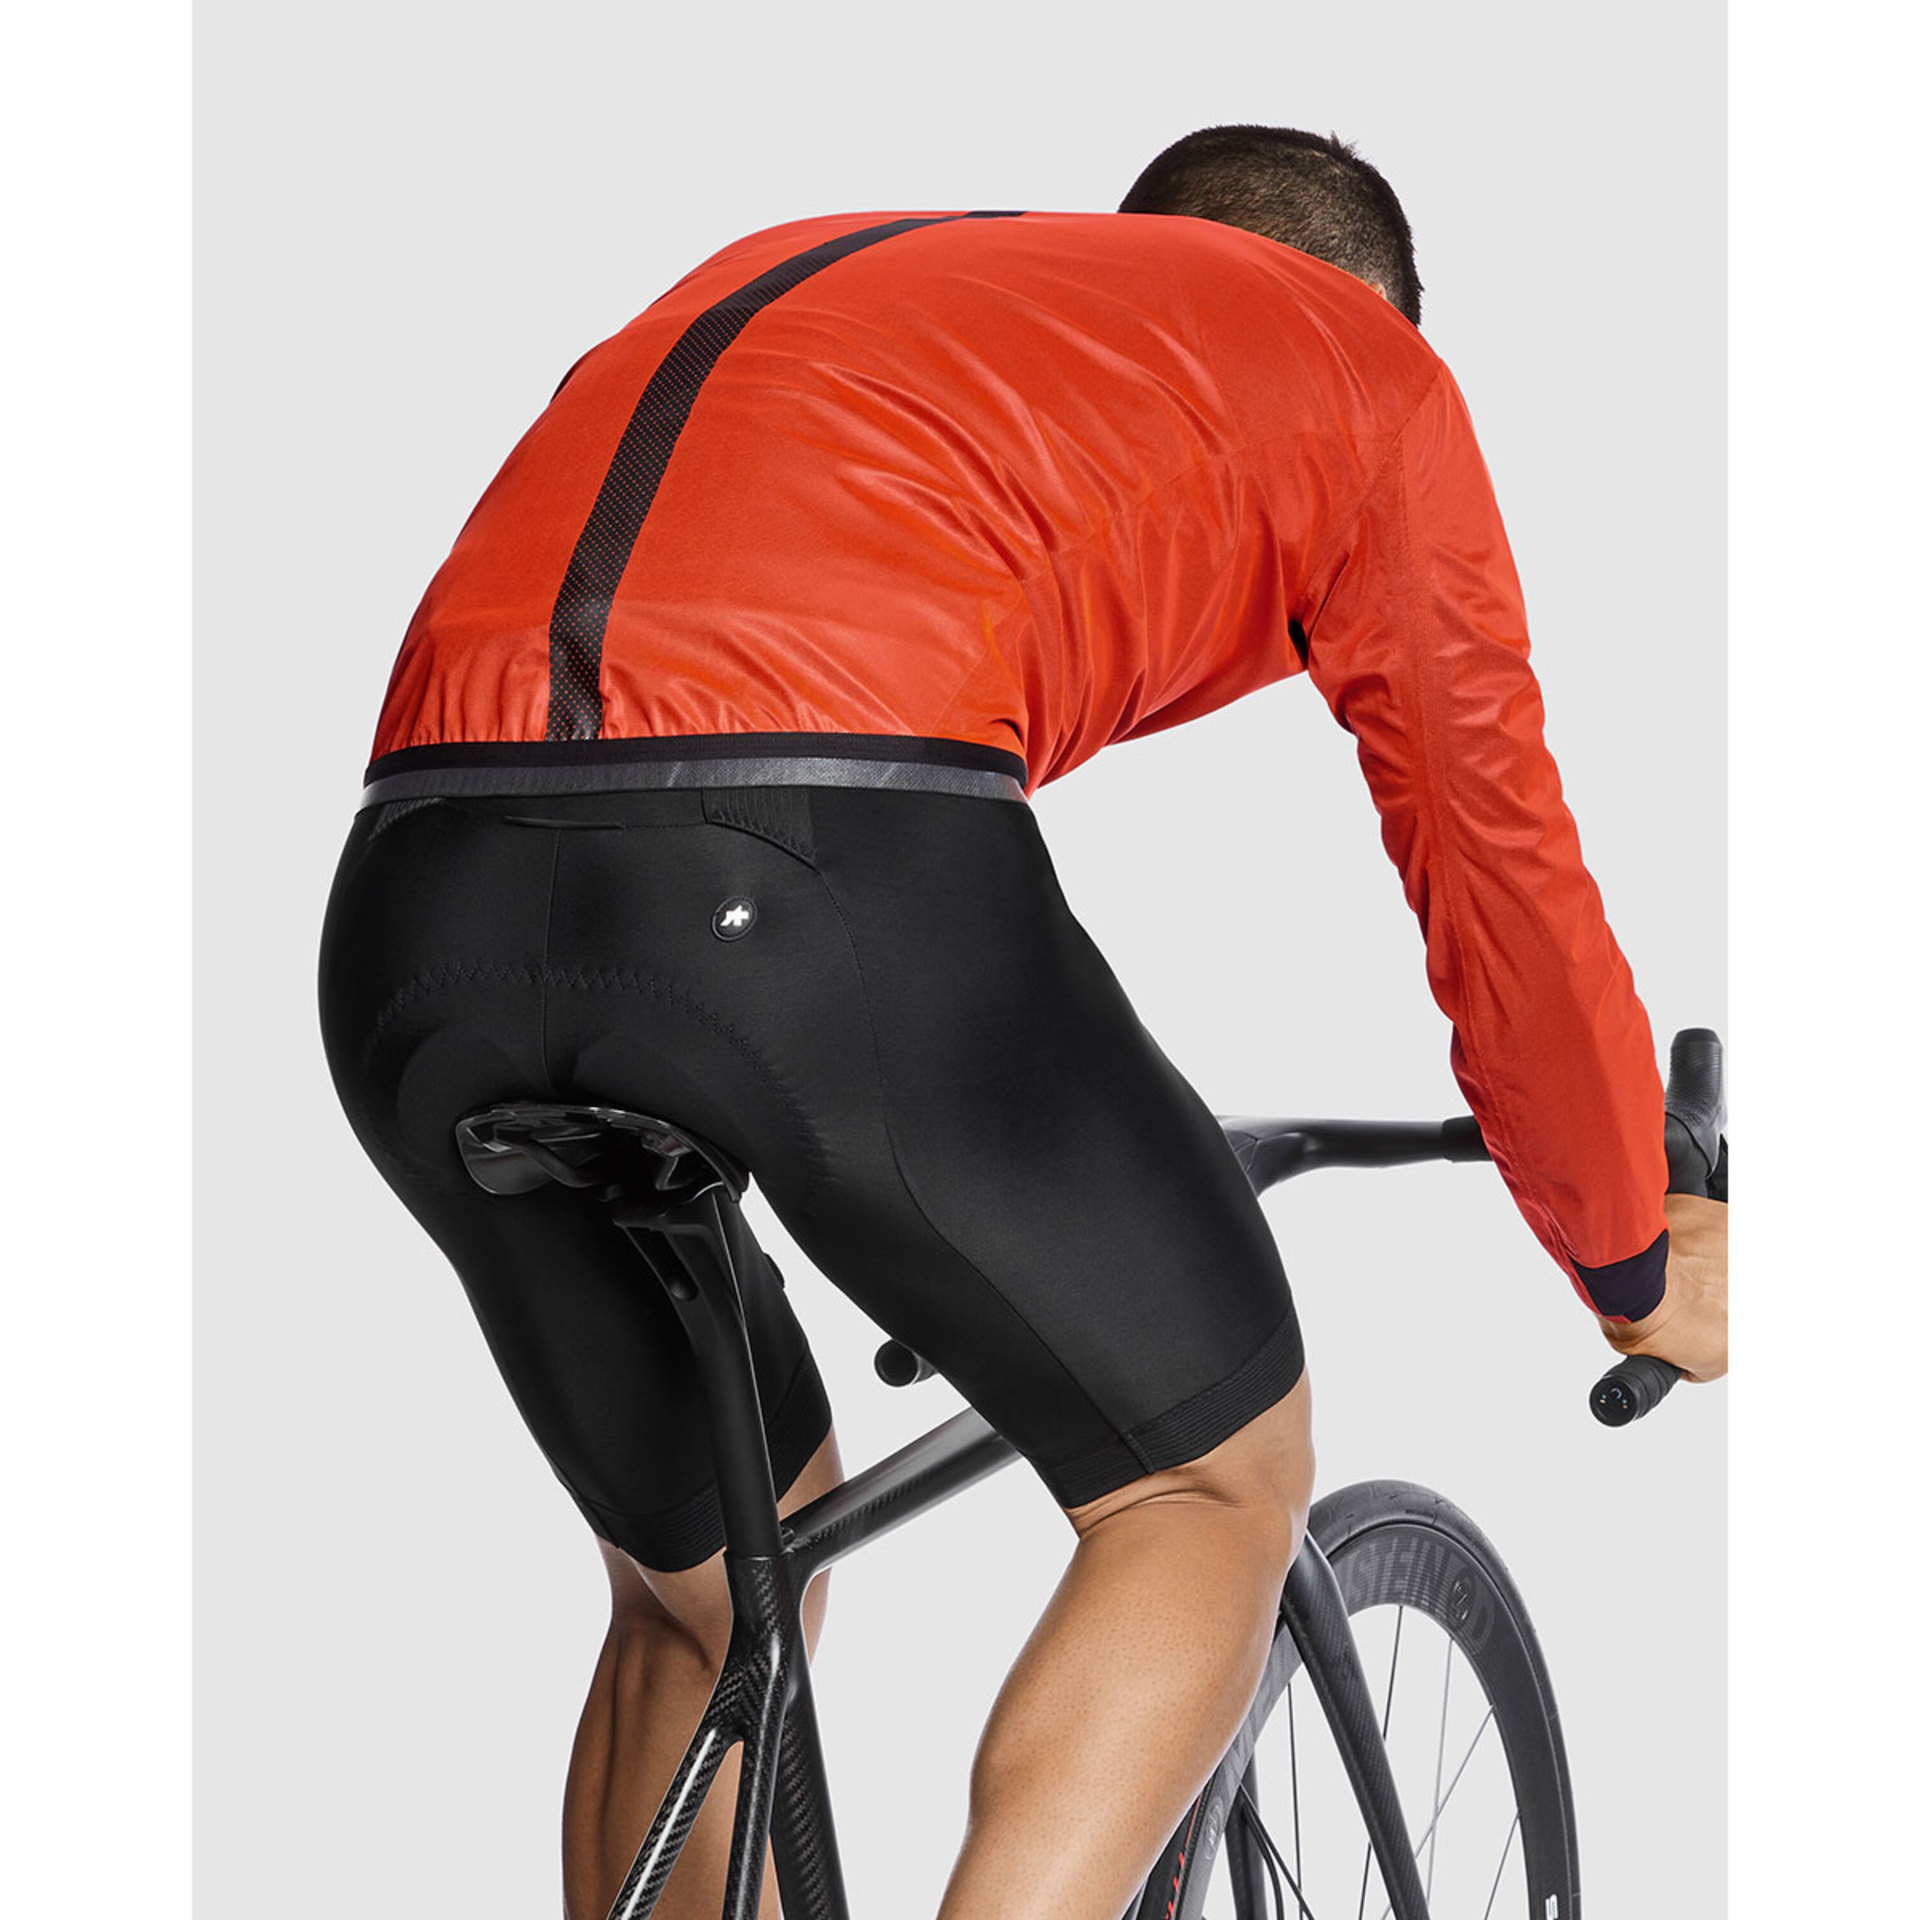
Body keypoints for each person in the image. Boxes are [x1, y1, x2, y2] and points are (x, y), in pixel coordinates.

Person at [318, 124, 1728, 1920]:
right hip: (800, 871)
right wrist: (1628, 1248)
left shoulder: (882, 280)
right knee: (1208, 1491)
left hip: (411, 911)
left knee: (709, 1588)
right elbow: (1494, 856)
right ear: (1363, 302)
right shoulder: (1367, 371)